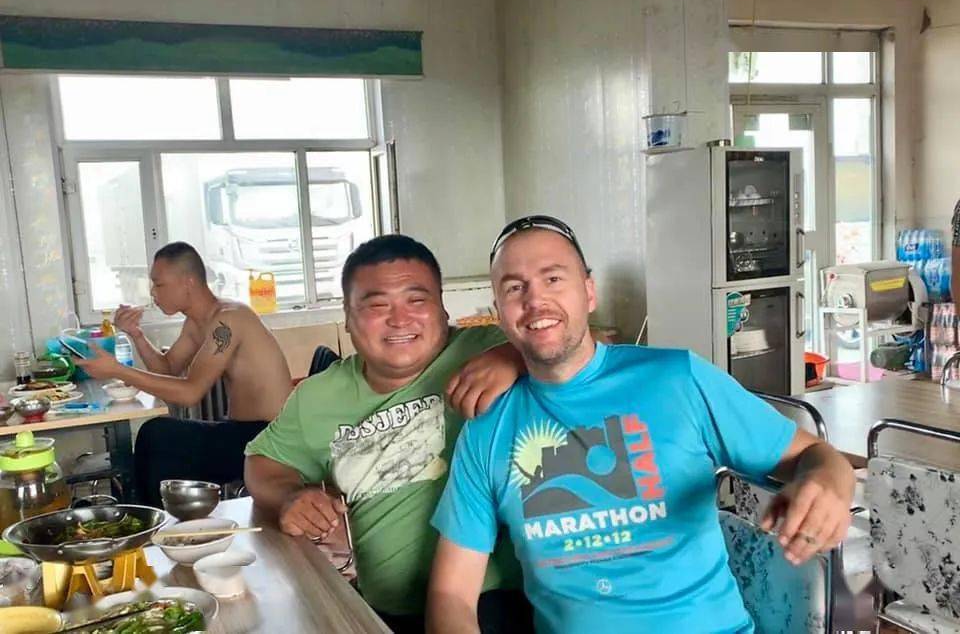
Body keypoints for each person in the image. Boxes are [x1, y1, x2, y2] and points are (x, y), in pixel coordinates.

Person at [427, 215, 856, 633]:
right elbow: (451, 595)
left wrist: (830, 481)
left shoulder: (679, 379)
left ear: (588, 292)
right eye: (514, 288)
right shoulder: (487, 429)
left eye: (553, 278)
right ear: (499, 313)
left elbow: (815, 455)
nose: (535, 300)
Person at [244, 234, 532, 633]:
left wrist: (517, 355)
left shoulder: (486, 349)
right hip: (385, 611)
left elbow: (583, 348)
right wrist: (290, 496)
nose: (399, 319)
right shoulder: (316, 397)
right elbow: (263, 462)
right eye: (377, 305)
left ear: (442, 307)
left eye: (417, 300)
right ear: (347, 317)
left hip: (498, 600)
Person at [75, 242, 293, 506]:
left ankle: (154, 520)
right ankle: (151, 517)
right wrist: (136, 334)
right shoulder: (196, 322)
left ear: (188, 282)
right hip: (244, 432)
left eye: (159, 284)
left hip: (270, 440)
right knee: (156, 438)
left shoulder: (229, 319)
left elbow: (190, 393)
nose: (153, 292)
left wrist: (118, 370)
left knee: (158, 436)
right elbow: (167, 369)